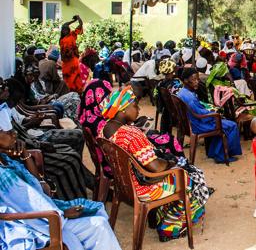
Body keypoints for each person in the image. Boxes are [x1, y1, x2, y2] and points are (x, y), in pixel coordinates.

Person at [99, 87, 207, 242]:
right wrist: (173, 162)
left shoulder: (105, 130)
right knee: (190, 179)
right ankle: (170, 229)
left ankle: (160, 217)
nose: (138, 108)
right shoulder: (131, 134)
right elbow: (155, 167)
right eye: (135, 105)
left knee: (178, 168)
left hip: (125, 184)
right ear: (122, 110)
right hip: (143, 188)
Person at [0, 119, 121, 250]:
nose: (14, 134)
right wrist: (61, 213)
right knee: (98, 225)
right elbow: (29, 204)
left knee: (96, 220)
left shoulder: (5, 159)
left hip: (42, 216)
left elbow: (41, 187)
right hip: (30, 224)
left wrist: (25, 154)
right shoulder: (4, 176)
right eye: (7, 131)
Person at [178, 68, 242, 163]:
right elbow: (199, 114)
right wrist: (214, 113)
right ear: (186, 81)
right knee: (232, 126)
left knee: (223, 122)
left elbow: (197, 109)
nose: (197, 82)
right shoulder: (190, 97)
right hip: (199, 125)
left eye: (197, 79)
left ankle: (213, 152)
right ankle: (221, 156)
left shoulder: (182, 92)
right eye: (194, 80)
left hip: (191, 123)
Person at [59, 15, 84, 92]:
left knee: (75, 77)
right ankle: (69, 91)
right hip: (66, 62)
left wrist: (78, 18)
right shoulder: (61, 40)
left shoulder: (72, 35)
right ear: (62, 31)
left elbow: (80, 25)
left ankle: (77, 91)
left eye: (67, 30)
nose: (65, 31)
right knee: (67, 78)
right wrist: (73, 21)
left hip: (73, 60)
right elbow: (65, 25)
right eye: (64, 30)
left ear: (69, 30)